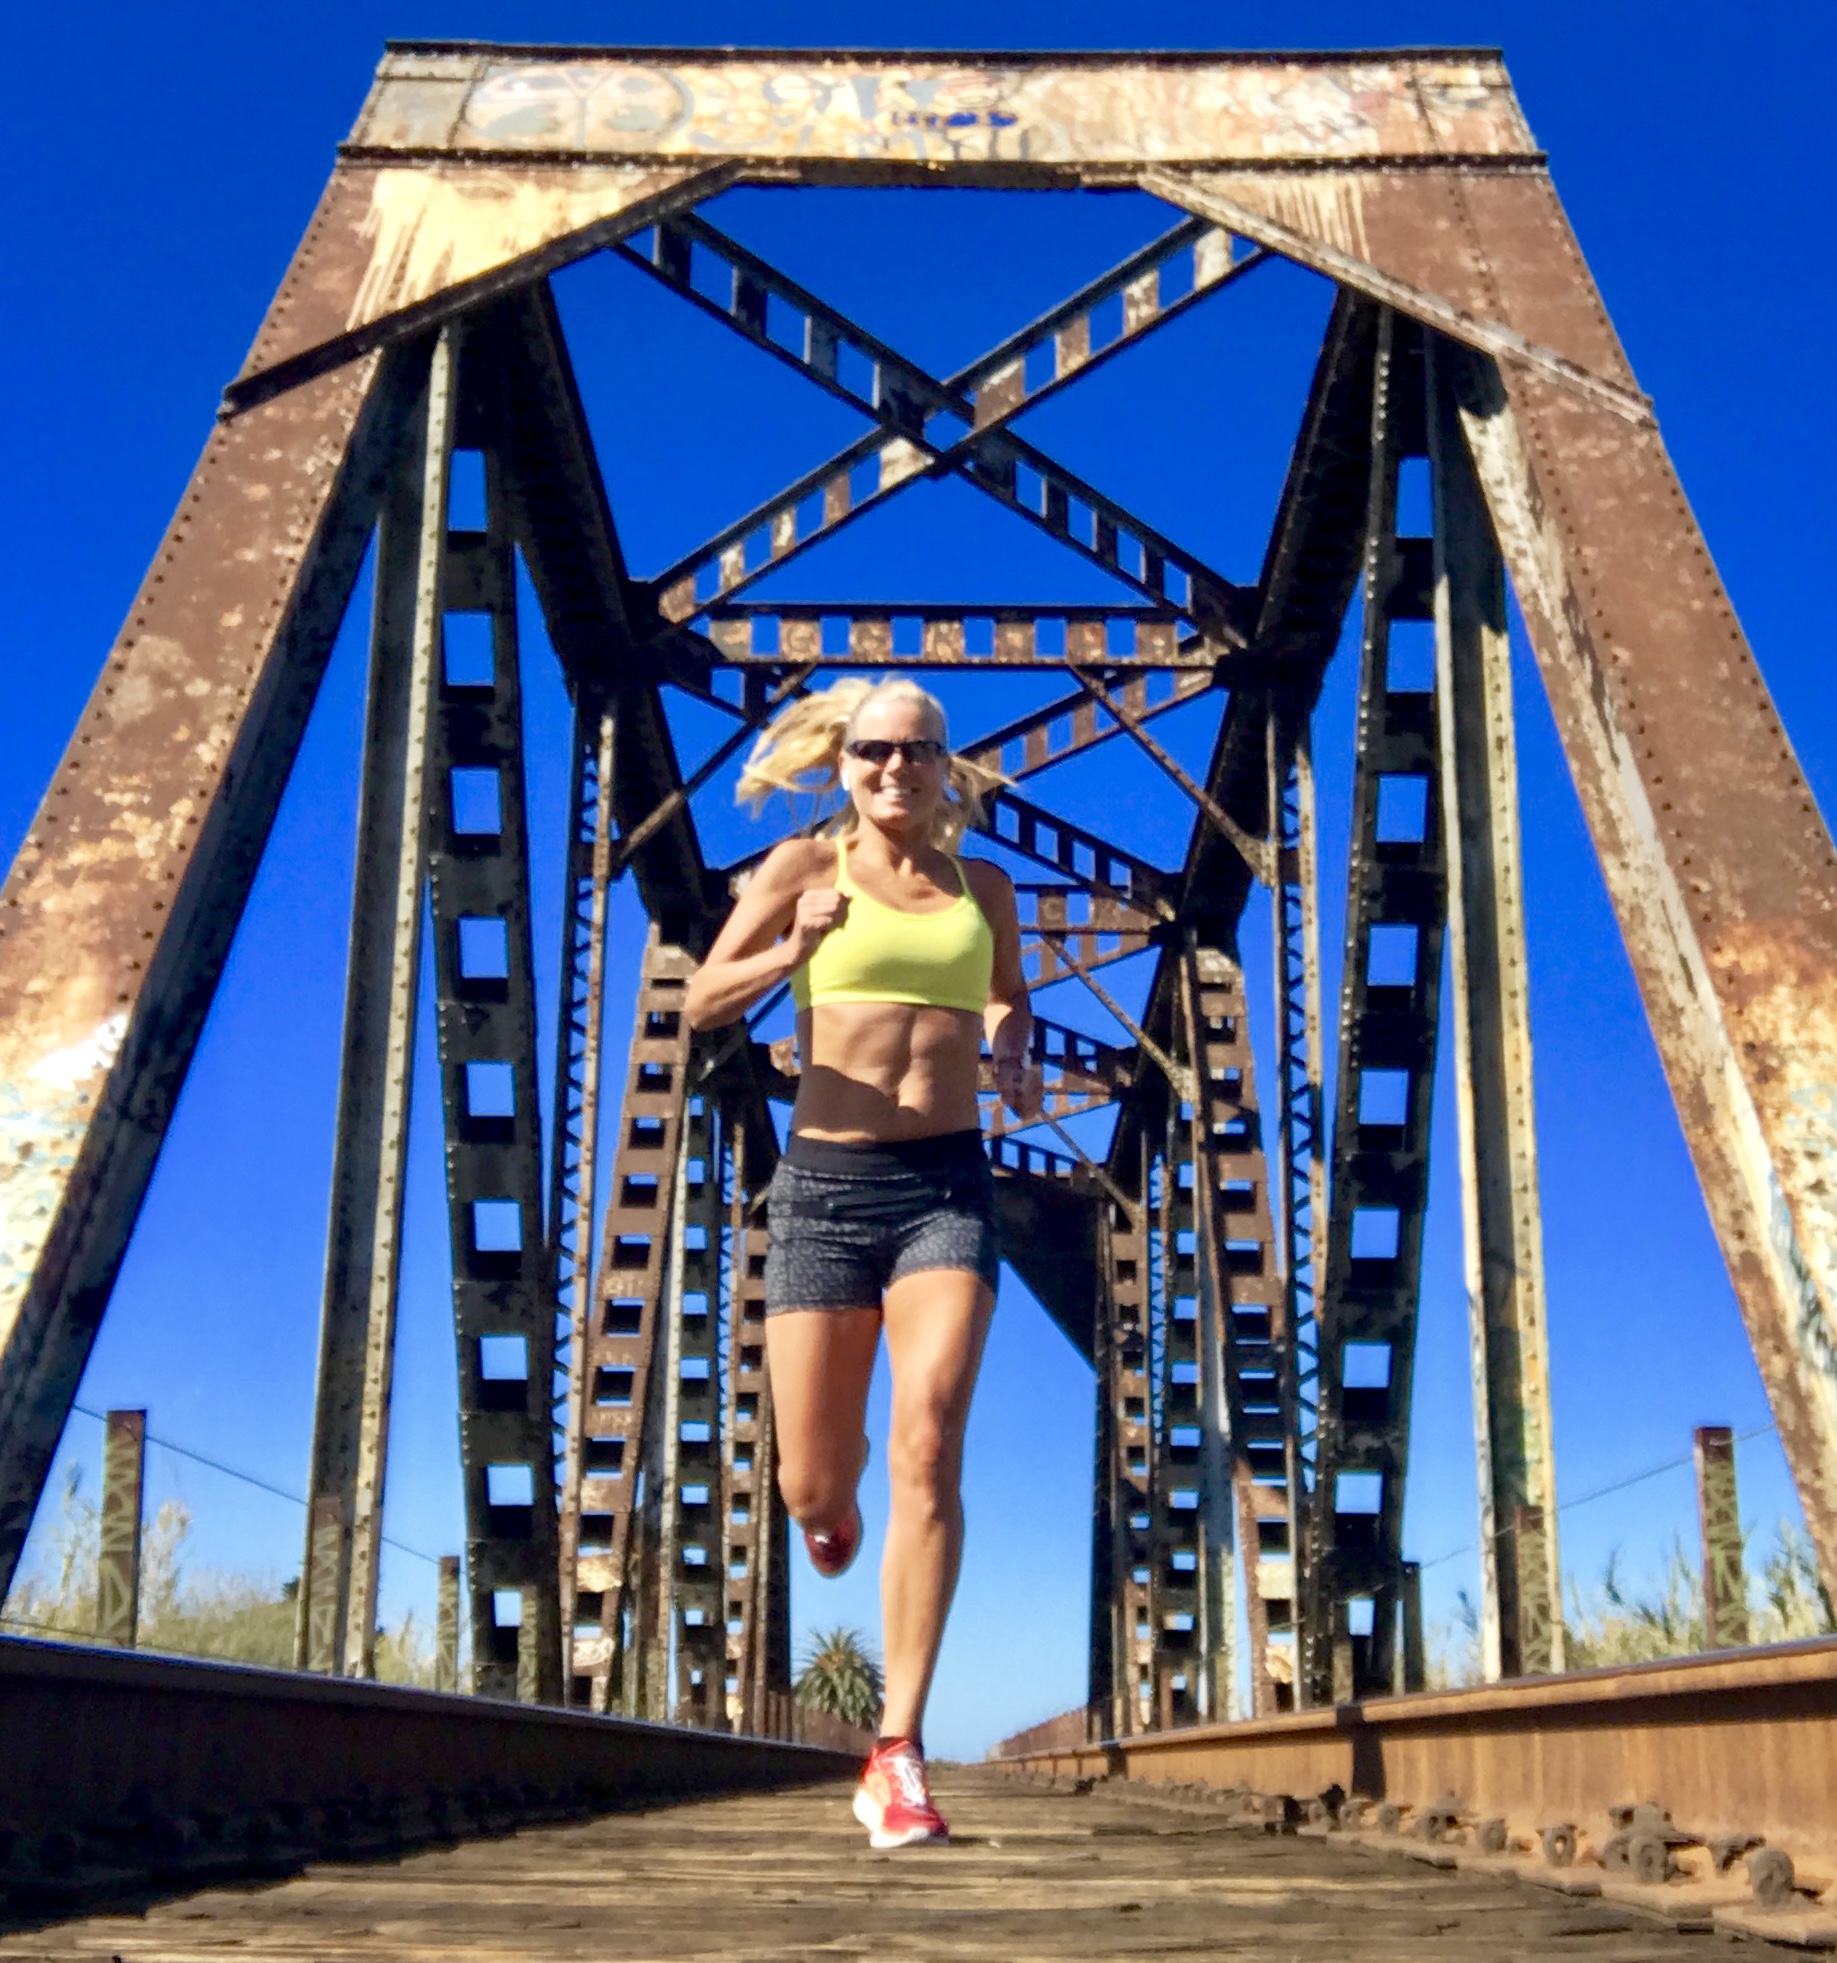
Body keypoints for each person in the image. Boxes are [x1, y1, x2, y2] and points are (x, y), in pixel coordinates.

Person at [685, 675, 1040, 1850]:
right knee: (811, 1487)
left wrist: (1015, 1051)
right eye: (874, 749)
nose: (895, 768)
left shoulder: (982, 887)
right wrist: (791, 948)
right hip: (825, 1193)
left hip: (947, 1184)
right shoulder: (798, 872)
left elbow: (1007, 1001)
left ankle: (896, 1751)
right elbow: (699, 1004)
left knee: (929, 1438)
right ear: (843, 763)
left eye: (918, 751)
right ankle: (826, 1510)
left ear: (948, 767)